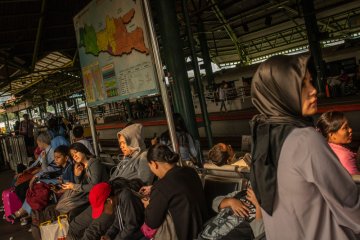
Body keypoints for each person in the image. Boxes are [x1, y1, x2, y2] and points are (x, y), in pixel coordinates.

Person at [250, 54, 360, 239]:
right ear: (281, 91)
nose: (313, 90)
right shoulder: (306, 139)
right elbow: (349, 201)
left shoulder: (262, 137)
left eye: (311, 82)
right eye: (302, 85)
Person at [142, 144, 209, 240]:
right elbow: (178, 188)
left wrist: (148, 205)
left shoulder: (161, 186)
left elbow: (152, 222)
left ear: (154, 164)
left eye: (150, 167)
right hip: (205, 228)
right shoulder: (191, 172)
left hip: (185, 236)